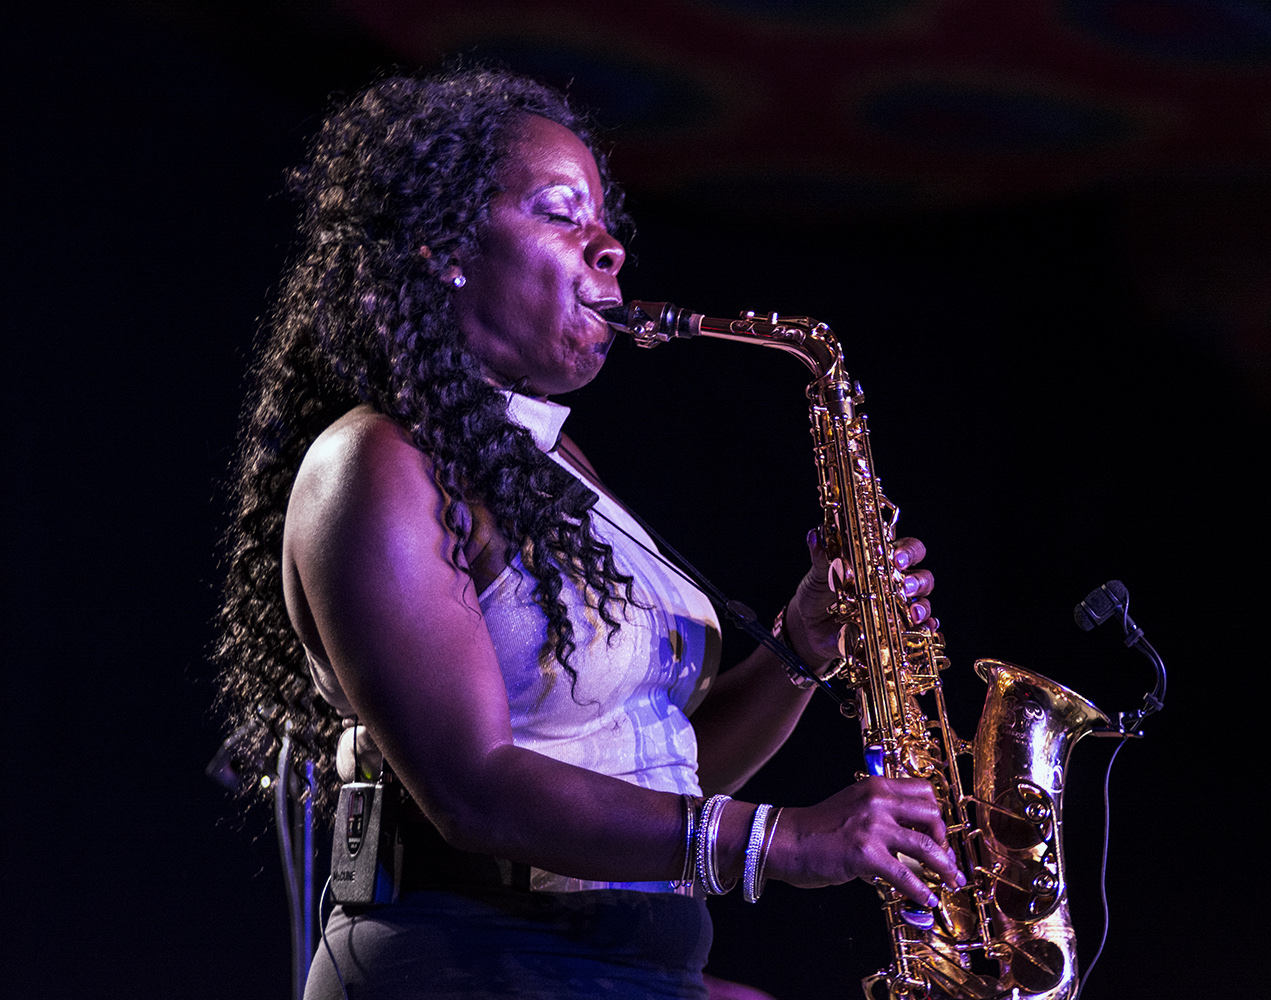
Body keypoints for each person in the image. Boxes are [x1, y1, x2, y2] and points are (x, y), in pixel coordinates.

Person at [214, 67, 959, 1000]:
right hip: (466, 959)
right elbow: (474, 789)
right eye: (560, 213)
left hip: (613, 957)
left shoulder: (556, 467)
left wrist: (801, 651)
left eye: (605, 221)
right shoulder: (373, 465)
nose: (607, 246)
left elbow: (650, 770)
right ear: (445, 247)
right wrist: (782, 838)